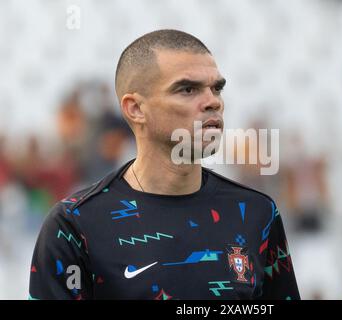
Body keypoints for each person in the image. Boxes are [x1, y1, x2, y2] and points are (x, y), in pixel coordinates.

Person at [29, 29, 300, 300]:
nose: (213, 102)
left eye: (216, 88)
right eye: (188, 89)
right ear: (135, 108)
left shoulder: (256, 213)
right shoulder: (75, 225)